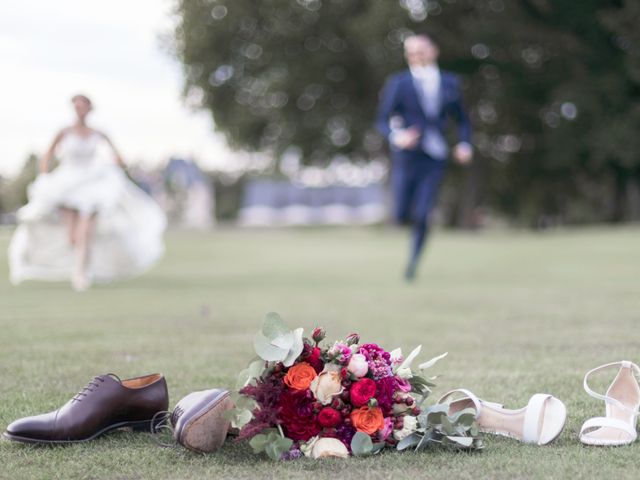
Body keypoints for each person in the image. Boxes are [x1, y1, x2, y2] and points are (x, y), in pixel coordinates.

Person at [8, 94, 166, 291]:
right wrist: (45, 177)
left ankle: (81, 275)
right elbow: (47, 157)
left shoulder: (98, 133)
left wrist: (114, 166)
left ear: (90, 109)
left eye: (83, 106)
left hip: (91, 187)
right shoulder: (64, 131)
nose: (79, 110)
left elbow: (119, 157)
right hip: (67, 185)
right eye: (76, 107)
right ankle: (80, 267)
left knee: (85, 233)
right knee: (72, 237)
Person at [376, 34, 473, 280]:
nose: (415, 56)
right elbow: (382, 120)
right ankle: (405, 224)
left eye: (420, 50)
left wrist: (464, 144)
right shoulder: (399, 83)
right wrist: (397, 137)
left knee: (422, 214)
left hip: (435, 156)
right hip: (407, 156)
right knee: (400, 214)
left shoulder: (450, 82)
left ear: (433, 51)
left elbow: (462, 119)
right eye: (411, 52)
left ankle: (413, 262)